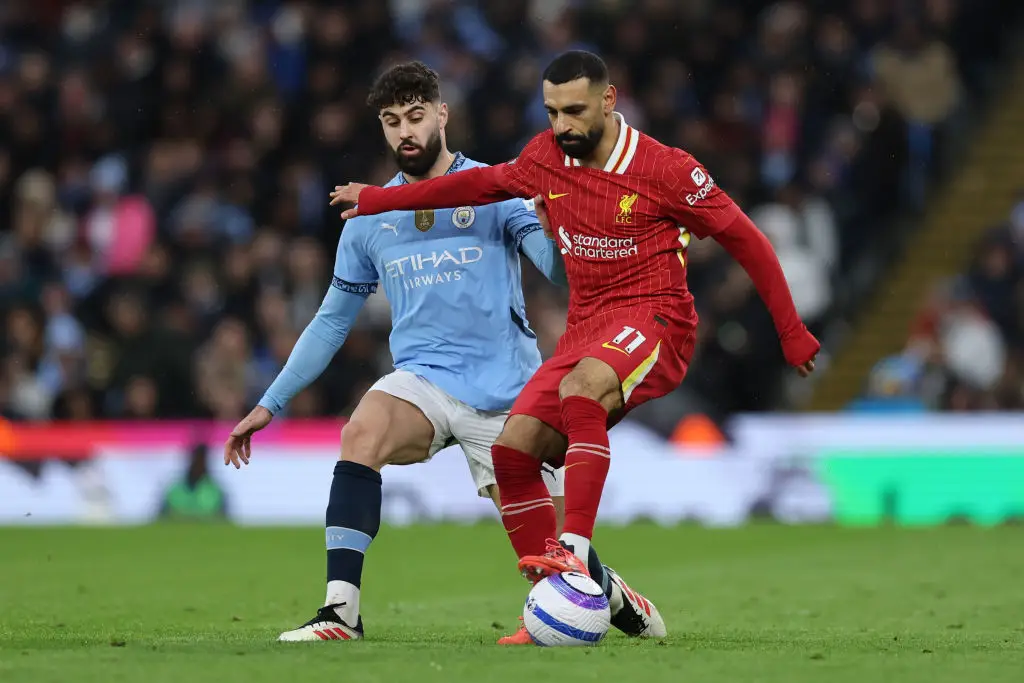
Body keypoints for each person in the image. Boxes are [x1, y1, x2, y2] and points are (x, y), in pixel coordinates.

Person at [330, 50, 821, 645]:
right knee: (513, 450)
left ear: (609, 101)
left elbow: (748, 240)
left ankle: (575, 550)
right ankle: (567, 599)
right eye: (552, 111)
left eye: (574, 110)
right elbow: (477, 184)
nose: (562, 125)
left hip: (655, 316)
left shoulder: (667, 169)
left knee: (582, 387)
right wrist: (378, 199)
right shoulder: (545, 158)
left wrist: (790, 330)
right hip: (586, 327)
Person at [224, 62, 569, 642]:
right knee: (361, 432)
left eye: (415, 116)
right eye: (391, 121)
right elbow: (331, 322)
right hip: (423, 381)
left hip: (507, 392)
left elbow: (558, 275)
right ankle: (341, 612)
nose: (405, 131)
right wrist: (269, 404)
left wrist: (554, 228)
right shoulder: (369, 218)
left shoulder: (496, 190)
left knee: (561, 574)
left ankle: (612, 594)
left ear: (442, 114)